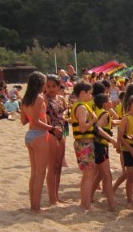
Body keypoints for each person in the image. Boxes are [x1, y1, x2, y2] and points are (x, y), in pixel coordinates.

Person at [21, 71, 62, 213]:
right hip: (39, 136)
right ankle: (36, 207)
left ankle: (33, 205)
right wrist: (52, 128)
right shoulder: (39, 98)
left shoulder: (26, 99)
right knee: (40, 174)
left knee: (34, 173)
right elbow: (37, 121)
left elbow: (24, 121)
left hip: (29, 136)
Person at [71, 80, 99, 211]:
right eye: (89, 93)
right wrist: (93, 120)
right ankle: (86, 204)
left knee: (86, 174)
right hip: (85, 142)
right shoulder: (81, 107)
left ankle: (84, 202)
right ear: (83, 93)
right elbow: (82, 128)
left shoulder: (77, 105)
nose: (91, 96)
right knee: (89, 174)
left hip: (82, 142)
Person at [92, 93, 119, 211]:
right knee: (108, 175)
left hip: (98, 145)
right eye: (109, 100)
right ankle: (112, 204)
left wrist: (125, 120)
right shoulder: (105, 113)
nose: (111, 101)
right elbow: (98, 128)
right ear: (104, 104)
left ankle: (90, 197)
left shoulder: (99, 112)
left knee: (100, 174)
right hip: (100, 146)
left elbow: (113, 122)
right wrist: (111, 139)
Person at [45, 74, 68, 206]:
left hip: (61, 132)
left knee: (59, 166)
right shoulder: (44, 99)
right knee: (52, 167)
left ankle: (57, 196)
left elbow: (64, 113)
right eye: (48, 86)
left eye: (54, 86)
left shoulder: (61, 99)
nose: (51, 89)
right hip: (51, 133)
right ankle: (52, 198)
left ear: (58, 86)